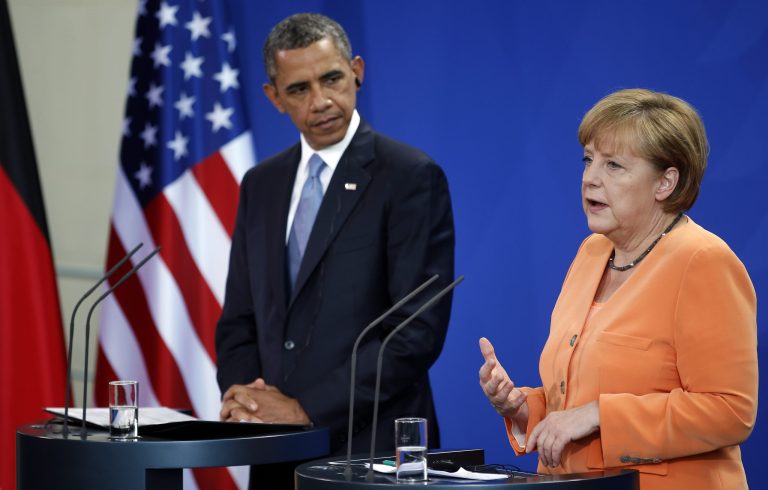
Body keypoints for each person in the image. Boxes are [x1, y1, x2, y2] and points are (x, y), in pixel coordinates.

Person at [216, 12, 455, 487]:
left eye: (332, 79)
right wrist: (248, 397)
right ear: (274, 97)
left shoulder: (409, 176)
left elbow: (412, 333)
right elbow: (240, 318)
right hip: (275, 451)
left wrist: (306, 408)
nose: (321, 101)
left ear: (357, 71)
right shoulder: (260, 185)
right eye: (299, 89)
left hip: (371, 453)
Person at [478, 88, 757, 489]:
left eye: (614, 166)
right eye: (588, 160)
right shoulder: (593, 252)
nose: (590, 178)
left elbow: (730, 411)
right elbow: (575, 402)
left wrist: (599, 415)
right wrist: (524, 409)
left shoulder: (702, 261)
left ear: (665, 182)